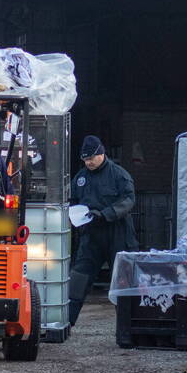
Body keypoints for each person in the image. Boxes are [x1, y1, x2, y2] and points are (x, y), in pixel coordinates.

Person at [68, 135, 139, 326]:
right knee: (79, 279)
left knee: (123, 281)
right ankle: (65, 324)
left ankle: (128, 328)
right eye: (85, 159)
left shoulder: (119, 174)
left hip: (117, 232)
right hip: (91, 234)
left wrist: (106, 214)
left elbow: (128, 200)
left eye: (91, 158)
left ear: (101, 153)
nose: (88, 162)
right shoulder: (80, 177)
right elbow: (73, 201)